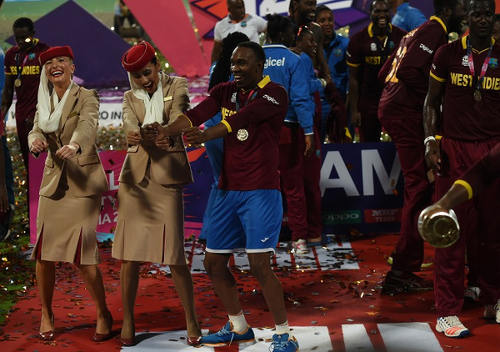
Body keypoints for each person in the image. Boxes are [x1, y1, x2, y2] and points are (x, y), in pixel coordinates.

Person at [146, 41, 299, 352]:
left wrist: (208, 134)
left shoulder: (275, 93)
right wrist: (168, 130)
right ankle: (238, 326)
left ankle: (285, 334)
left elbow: (244, 118)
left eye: (243, 64)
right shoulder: (224, 91)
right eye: (233, 63)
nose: (236, 68)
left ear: (259, 66)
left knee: (259, 265)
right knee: (213, 263)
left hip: (260, 190)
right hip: (227, 191)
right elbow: (195, 114)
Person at [111, 41, 201, 347]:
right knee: (130, 257)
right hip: (135, 181)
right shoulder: (127, 97)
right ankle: (128, 320)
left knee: (175, 256)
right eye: (136, 76)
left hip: (166, 177)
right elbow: (128, 125)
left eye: (146, 72)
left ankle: (191, 318)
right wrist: (137, 132)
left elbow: (179, 113)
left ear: (156, 65)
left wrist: (166, 131)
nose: (143, 80)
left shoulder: (177, 85)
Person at [377, 0, 466, 295]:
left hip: (394, 107)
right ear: (450, 10)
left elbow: (385, 73)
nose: (465, 14)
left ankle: (406, 262)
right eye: (463, 7)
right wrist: (434, 100)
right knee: (417, 187)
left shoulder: (415, 32)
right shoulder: (434, 32)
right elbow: (408, 74)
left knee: (420, 185)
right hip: (404, 113)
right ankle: (401, 268)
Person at [423, 0, 500, 336]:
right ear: (467, 17)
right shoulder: (447, 54)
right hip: (454, 149)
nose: (482, 19)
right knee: (449, 232)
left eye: (488, 14)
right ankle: (447, 311)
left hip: (494, 153)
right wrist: (430, 141)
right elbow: (431, 101)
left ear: (494, 17)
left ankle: (494, 299)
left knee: (494, 233)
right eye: (476, 14)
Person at [27, 46, 112, 342]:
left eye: (61, 60)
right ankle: (46, 312)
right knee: (44, 255)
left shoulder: (86, 96)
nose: (54, 66)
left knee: (84, 256)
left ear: (72, 67)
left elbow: (88, 126)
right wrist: (35, 140)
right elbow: (36, 129)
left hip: (83, 183)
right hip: (53, 184)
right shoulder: (44, 100)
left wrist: (75, 145)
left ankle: (103, 312)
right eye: (48, 63)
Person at [263, 14, 315, 255]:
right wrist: (308, 130)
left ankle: (262, 239)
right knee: (293, 184)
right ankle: (299, 239)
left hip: (259, 129)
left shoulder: (253, 57)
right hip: (287, 128)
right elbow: (301, 98)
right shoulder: (294, 59)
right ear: (284, 35)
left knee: (262, 186)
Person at [201, 32, 250, 241]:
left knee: (218, 182)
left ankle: (208, 232)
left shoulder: (216, 69)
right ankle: (233, 233)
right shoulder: (240, 72)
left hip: (210, 133)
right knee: (238, 184)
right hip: (228, 133)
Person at [347, 0, 406, 142]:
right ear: (370, 13)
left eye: (385, 11)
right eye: (377, 11)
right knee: (368, 143)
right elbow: (353, 79)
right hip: (368, 102)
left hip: (394, 101)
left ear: (390, 12)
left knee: (399, 144)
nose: (382, 15)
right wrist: (354, 110)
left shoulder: (402, 37)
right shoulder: (358, 40)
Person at [1, 17, 49, 170]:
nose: (21, 42)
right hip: (21, 113)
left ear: (33, 34)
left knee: (44, 155)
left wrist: (43, 114)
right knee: (27, 156)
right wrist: (2, 114)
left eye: (26, 37)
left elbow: (52, 87)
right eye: (17, 39)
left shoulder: (44, 52)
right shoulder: (11, 55)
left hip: (42, 112)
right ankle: (32, 191)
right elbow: (8, 88)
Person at [291, 25, 324, 245]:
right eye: (310, 40)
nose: (314, 45)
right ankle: (310, 233)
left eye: (316, 42)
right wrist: (321, 82)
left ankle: (303, 233)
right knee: (309, 181)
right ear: (299, 38)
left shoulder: (297, 57)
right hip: (304, 126)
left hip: (300, 125)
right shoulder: (300, 59)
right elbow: (301, 91)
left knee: (299, 183)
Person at [315, 5, 349, 141]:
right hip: (319, 103)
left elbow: (351, 75)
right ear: (316, 23)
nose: (327, 23)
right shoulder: (310, 46)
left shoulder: (345, 44)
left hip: (340, 102)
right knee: (319, 145)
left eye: (330, 20)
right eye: (322, 20)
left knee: (343, 145)